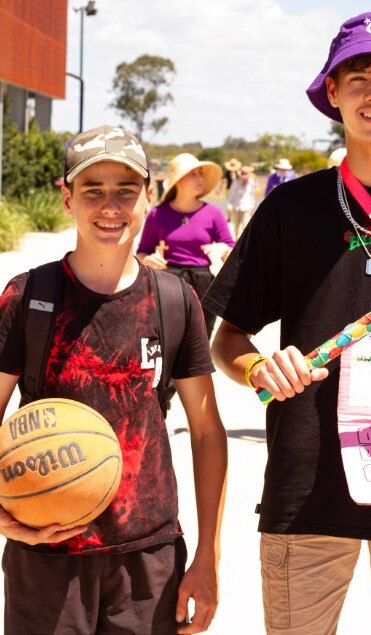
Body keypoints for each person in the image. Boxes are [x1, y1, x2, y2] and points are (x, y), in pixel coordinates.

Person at [203, 12, 371, 635]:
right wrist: (257, 367)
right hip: (306, 491)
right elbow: (229, 341)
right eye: (356, 76)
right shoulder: (289, 208)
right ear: (332, 92)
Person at [0, 125, 227, 635]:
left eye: (126, 191)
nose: (110, 206)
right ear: (66, 198)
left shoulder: (174, 301)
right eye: (92, 190)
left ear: (149, 196)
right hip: (45, 552)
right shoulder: (27, 297)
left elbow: (208, 433)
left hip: (149, 558)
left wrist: (208, 555)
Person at [137, 152, 235, 340]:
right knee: (168, 337)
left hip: (204, 282)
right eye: (193, 174)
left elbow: (231, 249)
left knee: (200, 338)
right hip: (167, 283)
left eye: (201, 173)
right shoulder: (158, 214)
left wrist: (223, 249)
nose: (200, 178)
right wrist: (148, 259)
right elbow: (142, 252)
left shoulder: (213, 213)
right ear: (177, 180)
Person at [226, 165, 258, 239]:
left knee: (246, 225)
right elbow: (231, 194)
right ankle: (236, 240)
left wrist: (252, 205)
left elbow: (252, 194)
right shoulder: (235, 182)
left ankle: (244, 242)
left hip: (247, 206)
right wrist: (229, 205)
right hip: (236, 206)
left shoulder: (251, 182)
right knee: (235, 226)